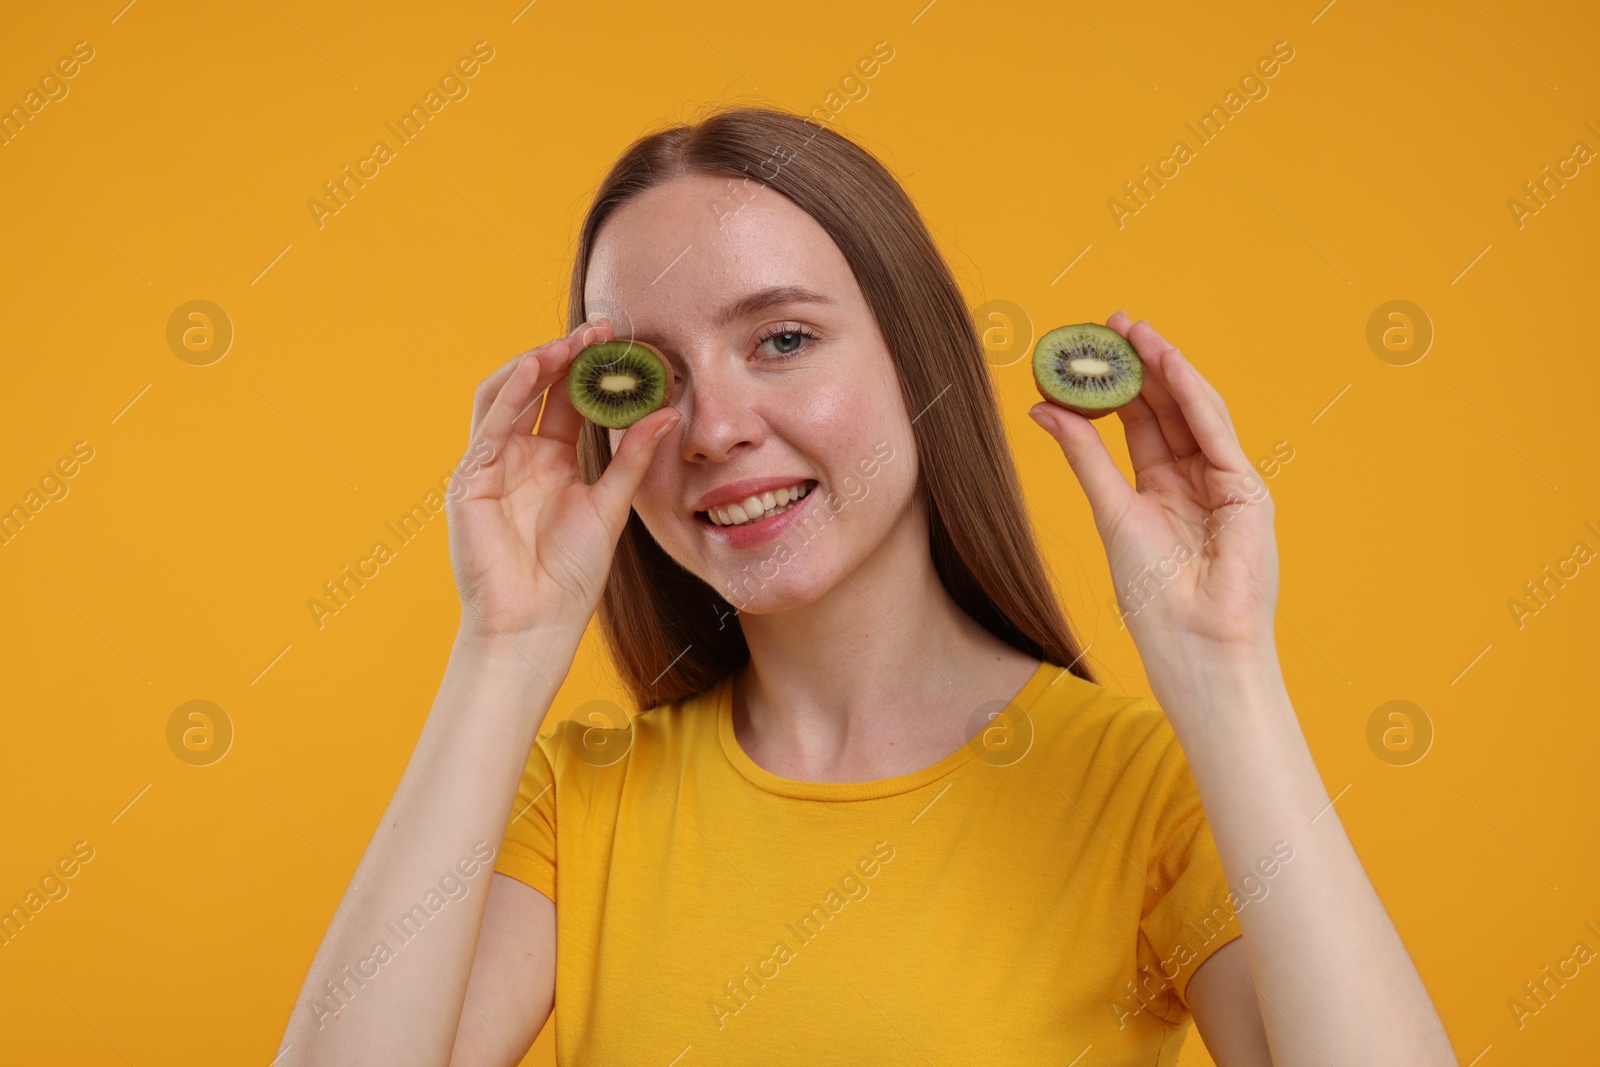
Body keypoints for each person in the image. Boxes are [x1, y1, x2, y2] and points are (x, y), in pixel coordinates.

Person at [277, 105, 1458, 1066]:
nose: (715, 428)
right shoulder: (581, 808)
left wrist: (1227, 671)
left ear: (917, 357)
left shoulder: (1141, 791)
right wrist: (505, 643)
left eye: (782, 338)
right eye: (651, 374)